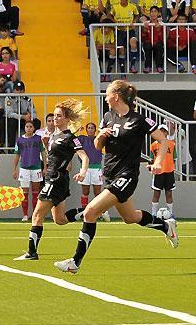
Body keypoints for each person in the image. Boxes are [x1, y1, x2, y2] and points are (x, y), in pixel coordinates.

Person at [55, 81, 178, 274]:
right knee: (130, 217)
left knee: (90, 212)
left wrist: (159, 162)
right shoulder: (108, 117)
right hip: (110, 174)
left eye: (107, 94)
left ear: (116, 96)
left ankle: (75, 262)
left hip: (127, 175)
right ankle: (165, 226)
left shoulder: (139, 119)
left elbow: (163, 141)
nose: (105, 98)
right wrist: (101, 135)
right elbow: (97, 146)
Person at [14, 99, 90, 261]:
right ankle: (90, 211)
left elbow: (84, 156)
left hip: (56, 180)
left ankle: (31, 253)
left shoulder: (70, 137)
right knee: (60, 220)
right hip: (54, 179)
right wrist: (47, 145)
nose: (55, 118)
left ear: (67, 118)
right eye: (54, 115)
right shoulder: (54, 136)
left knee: (37, 215)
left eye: (59, 116)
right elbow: (53, 159)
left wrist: (83, 172)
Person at [12, 119, 47, 222]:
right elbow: (17, 155)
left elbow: (43, 153)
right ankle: (25, 215)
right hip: (24, 169)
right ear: (24, 128)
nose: (28, 128)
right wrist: (14, 169)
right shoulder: (19, 140)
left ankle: (35, 214)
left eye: (30, 127)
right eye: (27, 126)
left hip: (36, 168)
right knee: (25, 193)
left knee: (36, 193)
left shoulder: (38, 139)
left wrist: (45, 167)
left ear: (34, 128)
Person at [78, 122, 111, 221]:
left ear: (95, 130)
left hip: (97, 169)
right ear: (86, 130)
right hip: (85, 169)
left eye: (92, 128)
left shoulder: (99, 139)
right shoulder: (82, 139)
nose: (90, 129)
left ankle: (100, 213)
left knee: (97, 193)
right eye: (88, 128)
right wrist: (77, 131)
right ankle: (85, 213)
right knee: (85, 192)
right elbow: (72, 140)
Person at [110, 0, 139, 73]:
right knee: (121, 49)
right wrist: (115, 22)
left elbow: (137, 15)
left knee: (133, 43)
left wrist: (134, 21)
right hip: (120, 31)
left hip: (130, 30)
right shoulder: (115, 7)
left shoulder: (132, 6)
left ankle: (132, 66)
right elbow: (110, 16)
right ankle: (123, 71)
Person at [150, 124, 176, 217]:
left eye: (164, 131)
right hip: (158, 172)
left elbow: (174, 158)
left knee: (169, 193)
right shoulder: (153, 145)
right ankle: (153, 214)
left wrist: (170, 166)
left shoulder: (172, 144)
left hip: (169, 171)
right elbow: (152, 159)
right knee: (156, 193)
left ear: (167, 133)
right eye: (160, 131)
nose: (162, 133)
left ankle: (170, 213)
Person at [3, 80, 36, 148]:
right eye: (17, 90)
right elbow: (9, 113)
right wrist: (22, 116)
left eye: (21, 90)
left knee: (36, 122)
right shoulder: (9, 98)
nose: (19, 92)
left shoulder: (28, 99)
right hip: (15, 119)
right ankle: (11, 146)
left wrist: (30, 117)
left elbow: (34, 112)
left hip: (25, 120)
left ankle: (33, 144)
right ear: (13, 90)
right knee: (12, 122)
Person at [141, 6, 164, 73]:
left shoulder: (162, 24)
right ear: (150, 13)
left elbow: (162, 39)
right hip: (149, 44)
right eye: (152, 11)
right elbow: (143, 39)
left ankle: (159, 67)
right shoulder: (146, 23)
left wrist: (158, 30)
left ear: (158, 13)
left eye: (155, 11)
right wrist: (144, 30)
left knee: (159, 46)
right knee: (147, 45)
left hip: (157, 44)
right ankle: (147, 67)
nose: (153, 13)